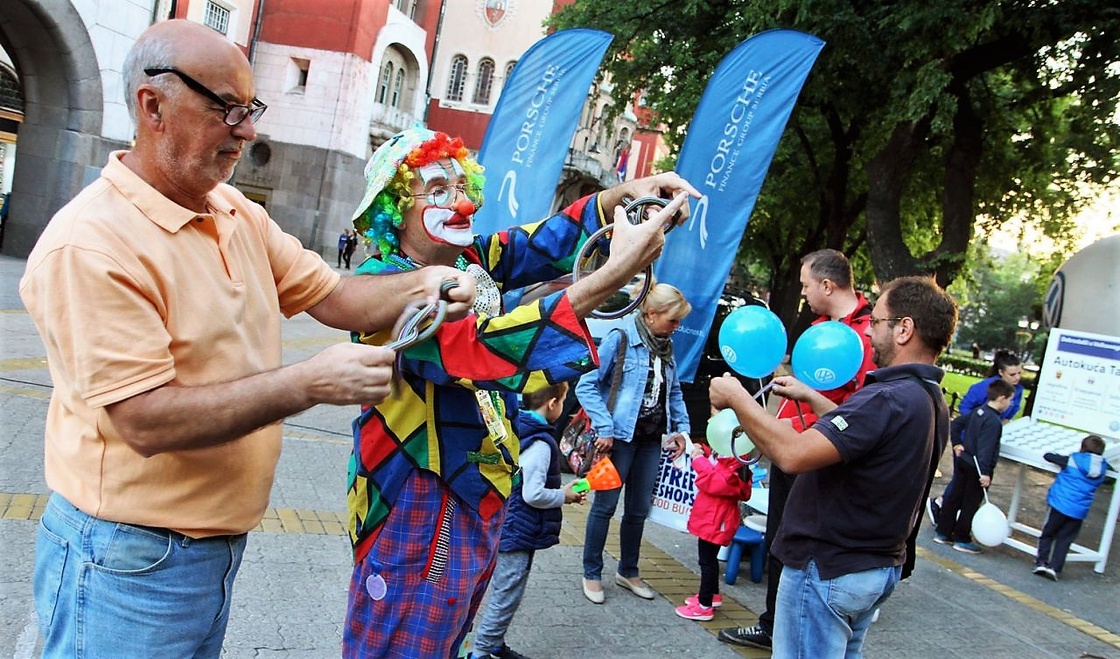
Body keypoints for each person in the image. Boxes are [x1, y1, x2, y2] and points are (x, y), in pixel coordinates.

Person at [17, 20, 479, 659]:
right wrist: (310, 382)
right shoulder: (91, 245)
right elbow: (145, 421)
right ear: (154, 105)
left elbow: (338, 296)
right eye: (228, 110)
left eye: (251, 109)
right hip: (124, 559)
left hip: (206, 550)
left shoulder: (236, 213)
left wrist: (427, 279)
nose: (249, 131)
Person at [343, 125, 699, 656]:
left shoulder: (466, 263)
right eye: (439, 191)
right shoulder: (380, 286)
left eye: (463, 188)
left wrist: (625, 194)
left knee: (446, 640)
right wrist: (613, 273)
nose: (462, 204)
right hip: (418, 501)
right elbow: (481, 348)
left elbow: (540, 243)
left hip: (478, 494)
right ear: (395, 209)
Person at [709, 276, 956, 658]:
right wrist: (810, 396)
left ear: (905, 329)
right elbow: (860, 433)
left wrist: (739, 399)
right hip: (871, 567)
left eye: (877, 322)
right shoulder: (926, 396)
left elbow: (792, 454)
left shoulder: (888, 398)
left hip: (828, 567)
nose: (869, 334)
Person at [718, 248, 876, 651]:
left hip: (822, 456)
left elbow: (859, 413)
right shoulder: (820, 327)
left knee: (798, 545)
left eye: (805, 285)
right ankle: (774, 624)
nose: (802, 293)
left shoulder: (864, 336)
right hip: (791, 445)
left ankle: (788, 631)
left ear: (827, 284)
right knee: (780, 536)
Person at [577, 282, 692, 604]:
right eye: (673, 320)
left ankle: (628, 571)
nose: (677, 327)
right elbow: (586, 385)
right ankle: (592, 572)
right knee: (604, 507)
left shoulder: (666, 347)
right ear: (651, 314)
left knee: (638, 511)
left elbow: (675, 393)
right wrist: (604, 426)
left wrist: (682, 430)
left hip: (651, 442)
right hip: (619, 442)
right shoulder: (622, 337)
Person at [469, 382, 586, 659]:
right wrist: (564, 495)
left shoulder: (516, 426)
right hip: (518, 528)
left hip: (504, 520)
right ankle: (481, 652)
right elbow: (533, 494)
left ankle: (494, 644)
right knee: (506, 594)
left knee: (503, 588)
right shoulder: (542, 443)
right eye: (564, 400)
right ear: (553, 404)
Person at [928, 350, 1024, 524]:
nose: (1017, 377)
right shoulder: (984, 388)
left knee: (967, 483)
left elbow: (1011, 412)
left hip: (987, 440)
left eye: (1019, 373)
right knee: (962, 480)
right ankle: (941, 506)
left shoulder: (1017, 391)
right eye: (1012, 374)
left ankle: (947, 513)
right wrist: (979, 424)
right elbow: (965, 408)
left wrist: (1002, 422)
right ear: (1001, 373)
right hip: (969, 440)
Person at [933, 378, 1015, 554]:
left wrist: (957, 443)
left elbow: (956, 424)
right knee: (970, 502)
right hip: (977, 467)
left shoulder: (978, 411)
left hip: (964, 460)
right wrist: (985, 473)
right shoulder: (993, 422)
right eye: (1010, 400)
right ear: (1002, 398)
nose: (1010, 404)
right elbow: (986, 448)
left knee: (955, 496)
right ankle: (962, 537)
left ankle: (943, 531)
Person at [673, 442, 752, 622]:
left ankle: (704, 605)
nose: (710, 420)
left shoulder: (733, 465)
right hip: (714, 517)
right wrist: (703, 449)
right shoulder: (733, 456)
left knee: (707, 562)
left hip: (715, 519)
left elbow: (716, 481)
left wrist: (699, 459)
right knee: (709, 560)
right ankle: (713, 595)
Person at [1034, 434, 1113, 580]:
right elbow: (1109, 478)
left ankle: (1041, 562)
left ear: (1082, 447)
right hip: (1078, 511)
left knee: (1048, 534)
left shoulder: (1071, 460)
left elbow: (1048, 456)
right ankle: (1055, 568)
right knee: (1065, 539)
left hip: (1059, 504)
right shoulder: (1102, 468)